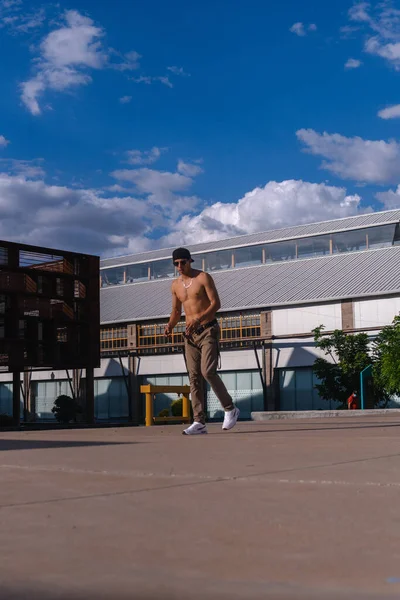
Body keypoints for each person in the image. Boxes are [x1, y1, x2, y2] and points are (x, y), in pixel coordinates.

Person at [164, 247, 240, 435]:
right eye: (176, 263)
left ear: (190, 261)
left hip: (208, 330)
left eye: (183, 262)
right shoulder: (175, 285)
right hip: (190, 336)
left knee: (207, 372)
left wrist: (198, 319)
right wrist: (170, 326)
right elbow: (176, 311)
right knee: (194, 378)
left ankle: (230, 408)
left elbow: (216, 304)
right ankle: (199, 422)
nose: (179, 266)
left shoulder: (203, 278)